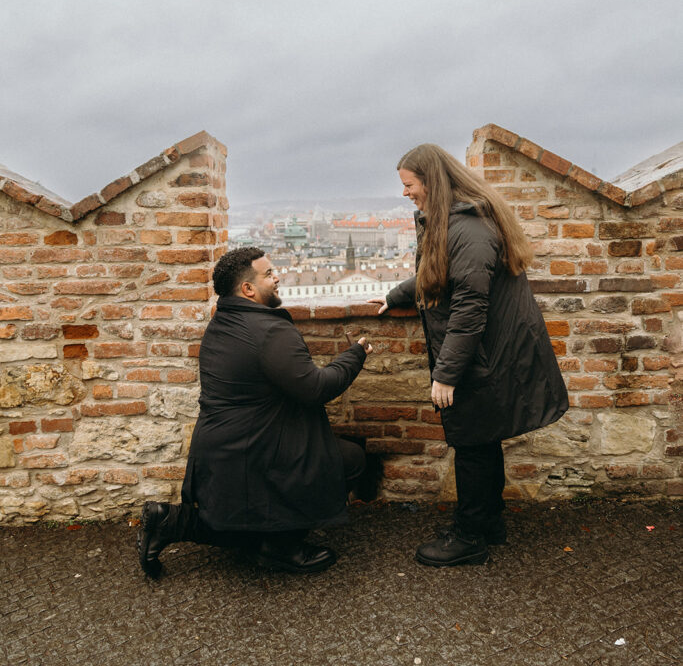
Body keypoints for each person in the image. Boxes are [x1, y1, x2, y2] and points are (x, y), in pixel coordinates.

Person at [373, 144, 568, 567]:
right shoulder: (458, 222)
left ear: (431, 180)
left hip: (485, 355)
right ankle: (490, 523)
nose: (406, 193)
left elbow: (469, 308)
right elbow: (443, 273)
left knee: (472, 443)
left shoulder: (470, 229)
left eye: (409, 184)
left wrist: (445, 375)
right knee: (482, 440)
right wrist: (396, 294)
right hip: (488, 353)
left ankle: (470, 537)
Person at [137, 246, 372, 576]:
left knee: (242, 519)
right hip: (253, 451)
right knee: (349, 459)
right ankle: (281, 547)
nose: (278, 277)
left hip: (221, 449)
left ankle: (171, 521)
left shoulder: (224, 320)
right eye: (269, 274)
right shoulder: (269, 330)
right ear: (247, 289)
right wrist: (355, 355)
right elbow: (316, 388)